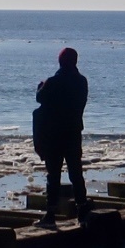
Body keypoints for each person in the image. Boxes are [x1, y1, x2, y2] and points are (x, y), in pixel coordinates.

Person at [32, 46, 89, 225]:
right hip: (73, 132)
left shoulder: (53, 82)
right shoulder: (82, 81)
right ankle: (82, 210)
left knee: (53, 174)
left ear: (60, 61)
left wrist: (41, 86)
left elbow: (40, 98)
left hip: (54, 134)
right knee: (76, 173)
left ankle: (50, 214)